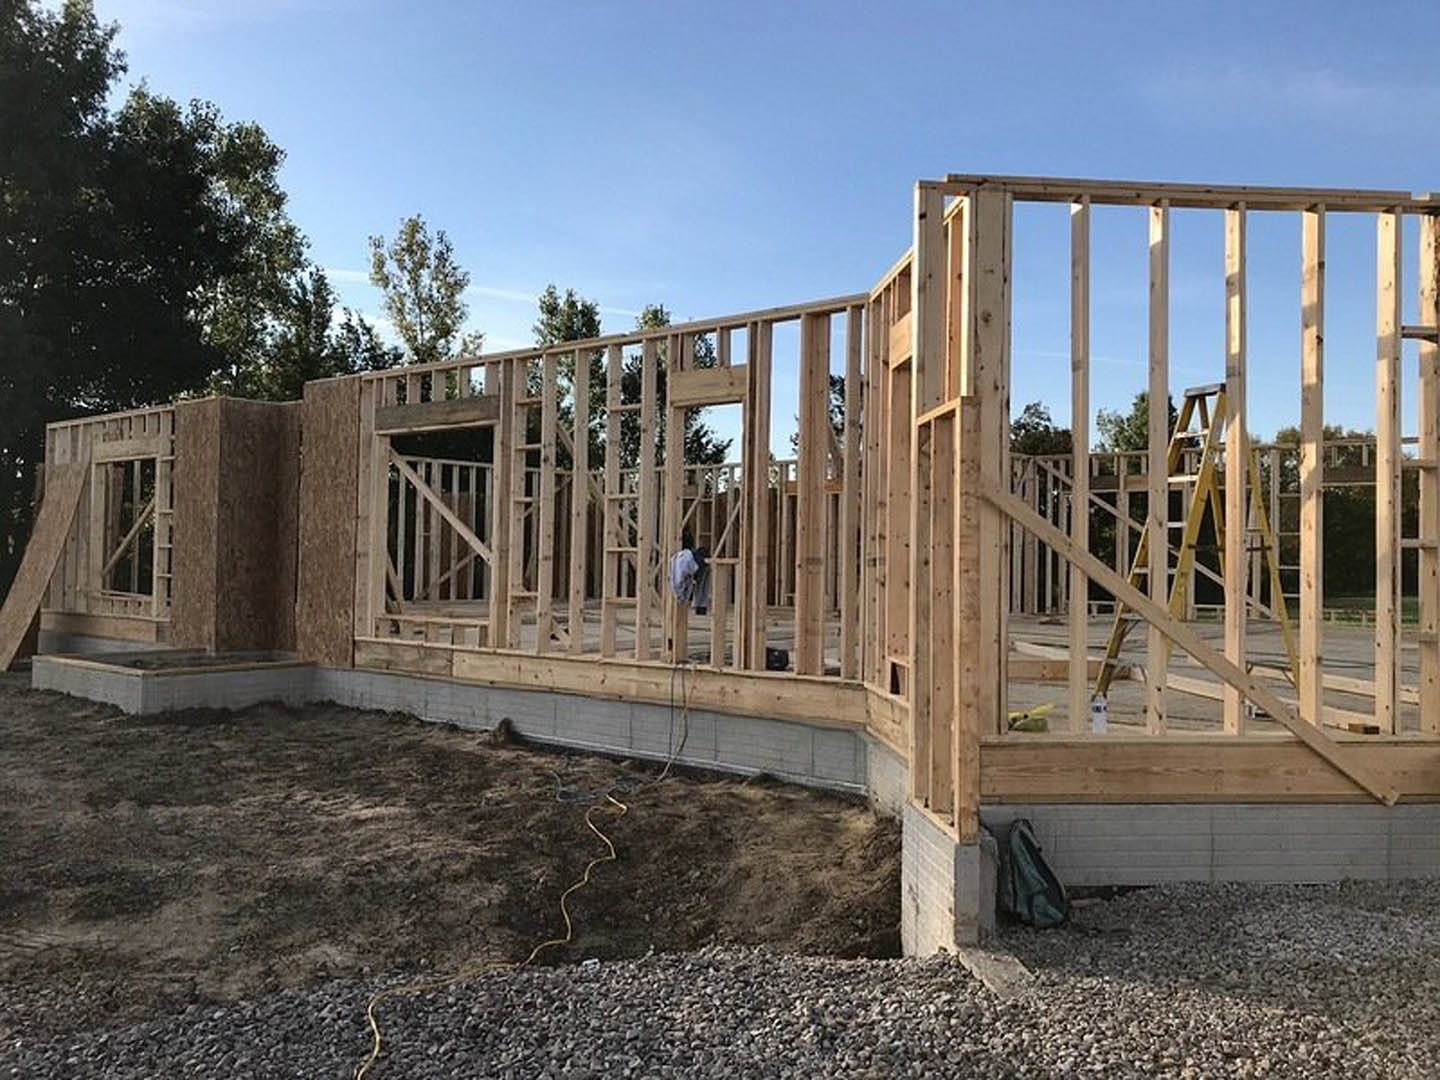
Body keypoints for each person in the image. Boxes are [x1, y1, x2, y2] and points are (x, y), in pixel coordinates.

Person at [668, 529, 711, 614]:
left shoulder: (677, 559)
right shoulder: (683, 558)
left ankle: (699, 605)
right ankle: (700, 606)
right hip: (694, 562)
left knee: (703, 573)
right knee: (704, 574)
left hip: (693, 563)